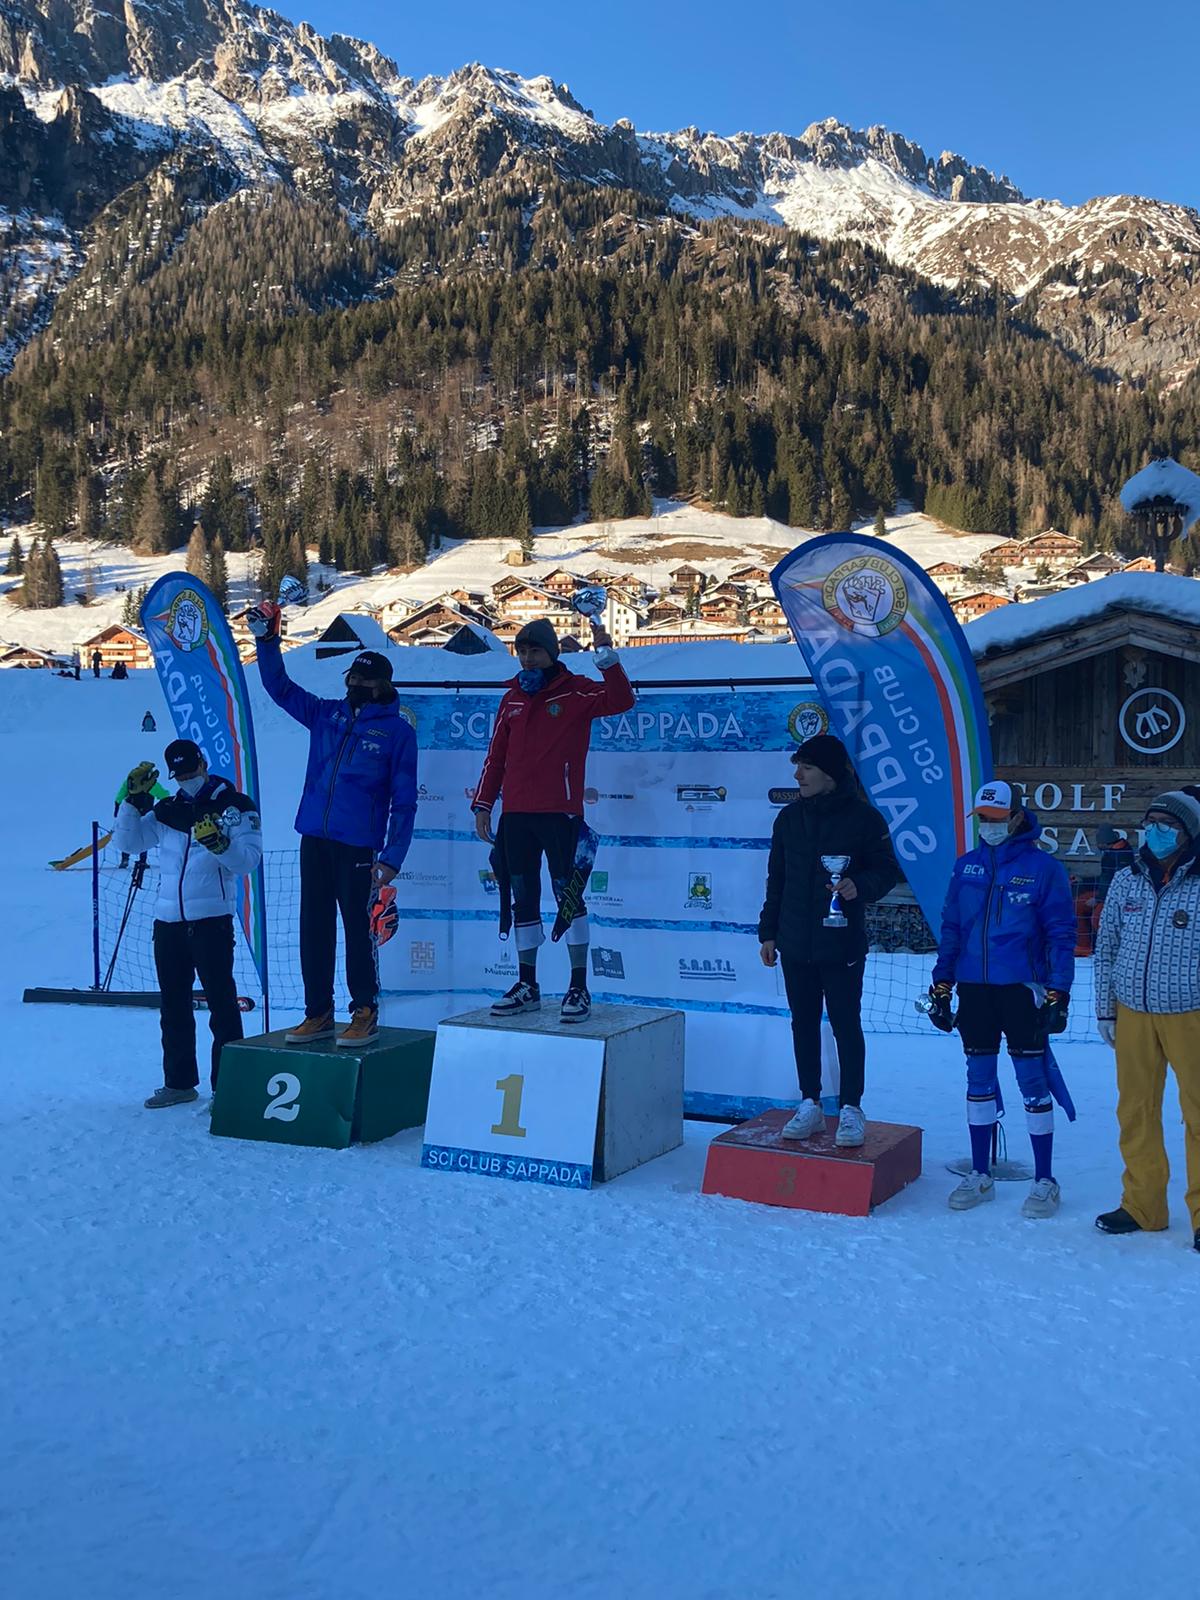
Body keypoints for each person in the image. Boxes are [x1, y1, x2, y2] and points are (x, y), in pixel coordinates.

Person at [247, 603, 417, 1045]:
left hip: (358, 846)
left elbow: (405, 801)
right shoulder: (327, 715)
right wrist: (268, 642)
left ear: (383, 686)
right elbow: (279, 687)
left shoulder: (398, 733)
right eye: (351, 679)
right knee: (314, 929)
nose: (355, 686)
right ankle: (318, 1012)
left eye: (364, 680)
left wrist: (393, 858)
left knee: (359, 931)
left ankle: (365, 1010)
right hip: (314, 838)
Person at [471, 614, 634, 1023]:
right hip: (516, 817)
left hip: (560, 814)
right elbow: (496, 758)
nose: (527, 659)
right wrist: (484, 803)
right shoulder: (511, 698)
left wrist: (606, 656)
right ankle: (527, 984)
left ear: (551, 653)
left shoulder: (575, 691)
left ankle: (578, 986)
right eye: (522, 652)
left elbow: (621, 700)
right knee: (522, 899)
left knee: (569, 897)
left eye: (535, 651)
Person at [928, 780, 1076, 1218]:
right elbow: (951, 928)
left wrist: (1059, 992)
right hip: (974, 989)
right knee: (978, 1079)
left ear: (1015, 818)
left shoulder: (1044, 868)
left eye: (996, 819)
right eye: (982, 819)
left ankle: (1045, 1180)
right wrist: (942, 984)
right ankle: (980, 1174)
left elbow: (1061, 934)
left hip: (1022, 990)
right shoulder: (966, 866)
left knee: (1032, 1081)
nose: (988, 827)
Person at [757, 734, 898, 1148]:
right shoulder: (788, 819)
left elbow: (887, 871)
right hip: (794, 942)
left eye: (807, 768)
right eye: (798, 767)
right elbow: (776, 880)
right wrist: (768, 931)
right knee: (802, 1023)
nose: (797, 776)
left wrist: (860, 885)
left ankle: (851, 1107)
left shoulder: (865, 819)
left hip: (841, 943)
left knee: (845, 1023)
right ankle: (810, 1103)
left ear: (830, 775)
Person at [114, 740, 262, 1108]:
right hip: (168, 922)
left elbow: (248, 861)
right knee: (173, 1007)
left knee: (222, 1005)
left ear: (203, 764)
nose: (186, 779)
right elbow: (128, 843)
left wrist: (219, 845)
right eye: (179, 775)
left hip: (211, 920)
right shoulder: (168, 810)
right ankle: (179, 1083)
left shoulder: (235, 806)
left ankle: (228, 1086)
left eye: (191, 771)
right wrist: (132, 802)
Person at [1093, 791, 1200, 1253]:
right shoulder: (1127, 879)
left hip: (1191, 1013)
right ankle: (1143, 1206)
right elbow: (1106, 946)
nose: (1155, 830)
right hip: (1133, 1012)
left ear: (1188, 832)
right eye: (1150, 822)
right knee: (1135, 1111)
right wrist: (1105, 1008)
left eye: (1166, 824)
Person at [113, 770, 170, 868]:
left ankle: (125, 859)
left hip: (130, 814)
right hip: (145, 814)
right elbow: (164, 795)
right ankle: (142, 861)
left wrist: (117, 804)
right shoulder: (152, 785)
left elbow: (121, 793)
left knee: (127, 833)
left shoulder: (129, 782)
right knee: (143, 836)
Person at [1096, 824, 1133, 900]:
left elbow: (1107, 879)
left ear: (1104, 843)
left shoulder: (1111, 856)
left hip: (1113, 896)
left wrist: (1098, 899)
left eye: (1098, 843)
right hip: (1123, 892)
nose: (1097, 845)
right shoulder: (1125, 849)